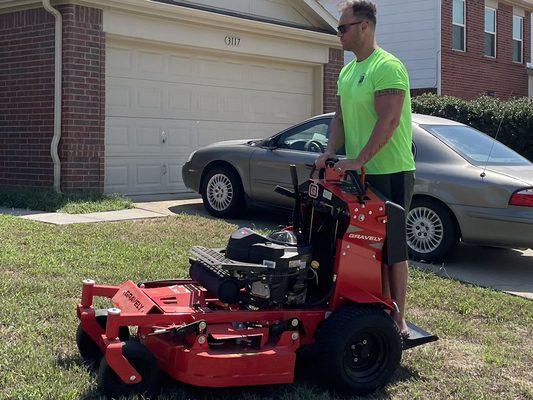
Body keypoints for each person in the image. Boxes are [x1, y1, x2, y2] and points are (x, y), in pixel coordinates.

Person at [315, 0, 415, 337]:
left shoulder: (387, 67)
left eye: (343, 27)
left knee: (392, 249)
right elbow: (340, 118)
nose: (339, 33)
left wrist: (360, 158)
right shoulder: (346, 71)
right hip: (358, 175)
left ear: (364, 27)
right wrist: (330, 152)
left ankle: (397, 318)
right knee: (363, 245)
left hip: (391, 170)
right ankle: (376, 309)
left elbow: (389, 120)